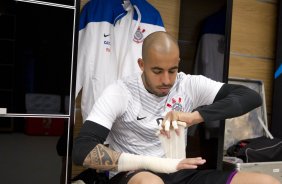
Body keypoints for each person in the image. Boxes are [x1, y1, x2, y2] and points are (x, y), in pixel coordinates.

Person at [73, 31, 281, 184]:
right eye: (157, 71)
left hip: (180, 172)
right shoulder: (120, 92)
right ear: (141, 65)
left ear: (178, 64)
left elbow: (250, 96)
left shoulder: (187, 84)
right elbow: (82, 150)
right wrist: (157, 165)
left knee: (266, 182)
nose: (166, 80)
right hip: (135, 175)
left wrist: (196, 116)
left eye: (172, 70)